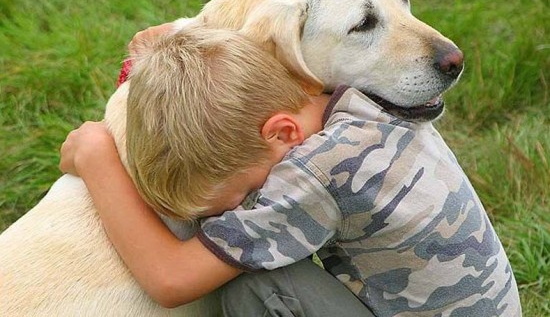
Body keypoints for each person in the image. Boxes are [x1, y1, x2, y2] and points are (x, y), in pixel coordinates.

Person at [60, 24, 521, 316]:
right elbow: (237, 66)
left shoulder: (314, 175)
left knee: (259, 289)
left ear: (282, 134)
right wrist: (175, 49)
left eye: (243, 197)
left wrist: (96, 157)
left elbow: (171, 280)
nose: (241, 211)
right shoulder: (355, 98)